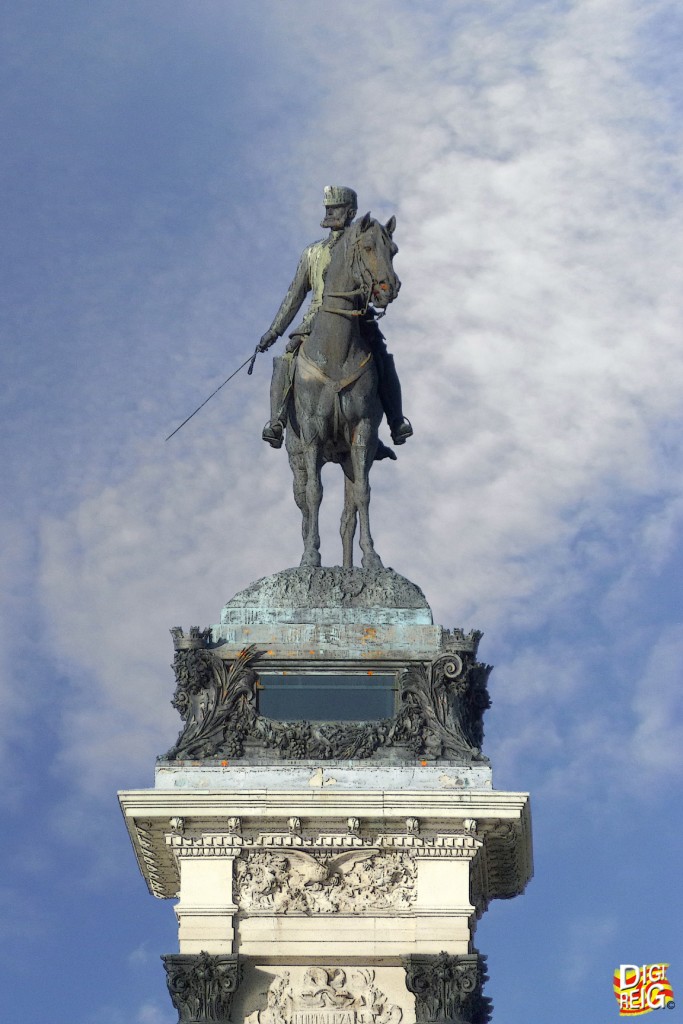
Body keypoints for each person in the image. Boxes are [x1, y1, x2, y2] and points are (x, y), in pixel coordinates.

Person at [257, 185, 413, 450]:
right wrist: (274, 331)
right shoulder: (312, 253)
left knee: (382, 356)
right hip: (315, 319)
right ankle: (276, 421)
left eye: (337, 208)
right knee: (287, 358)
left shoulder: (361, 241)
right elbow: (294, 296)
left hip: (358, 316)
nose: (331, 213)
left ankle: (396, 421)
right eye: (329, 208)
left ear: (350, 212)